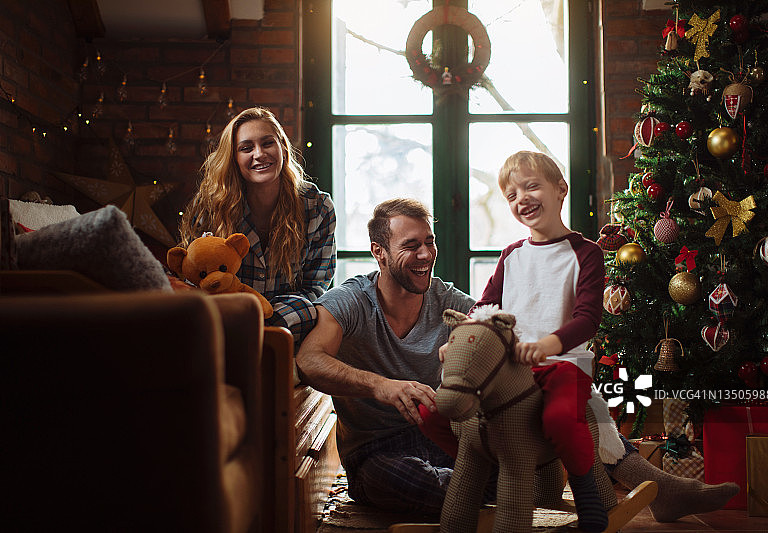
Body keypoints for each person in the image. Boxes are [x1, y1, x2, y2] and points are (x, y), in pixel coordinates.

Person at [295, 197, 739, 522]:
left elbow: (507, 337)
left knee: (551, 398)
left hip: (445, 435)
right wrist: (381, 385)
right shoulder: (352, 301)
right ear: (379, 251)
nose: (426, 254)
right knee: (442, 486)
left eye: (430, 242)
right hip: (378, 451)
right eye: (411, 245)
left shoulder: (447, 299)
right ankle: (523, 497)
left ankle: (658, 487)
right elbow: (310, 360)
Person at [426, 151, 607, 532]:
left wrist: (546, 346)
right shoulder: (512, 255)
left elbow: (587, 319)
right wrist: (459, 343)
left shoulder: (586, 253)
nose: (521, 198)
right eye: (511, 195)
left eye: (531, 186)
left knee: (560, 419)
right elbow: (483, 308)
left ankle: (587, 493)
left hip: (562, 365)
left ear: (561, 189)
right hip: (510, 369)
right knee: (436, 413)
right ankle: (491, 466)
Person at [178, 107, 336, 345]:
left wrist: (260, 320)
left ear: (283, 147)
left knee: (309, 310)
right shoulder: (211, 206)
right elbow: (194, 280)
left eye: (267, 143)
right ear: (233, 158)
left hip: (286, 320)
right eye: (246, 148)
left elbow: (315, 287)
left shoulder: (318, 206)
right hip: (225, 317)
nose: (259, 154)